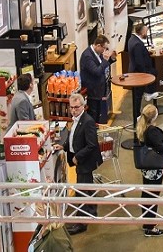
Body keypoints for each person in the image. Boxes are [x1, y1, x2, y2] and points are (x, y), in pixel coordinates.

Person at [54, 94, 102, 235]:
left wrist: (77, 157)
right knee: (88, 188)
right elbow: (73, 138)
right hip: (81, 160)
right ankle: (91, 212)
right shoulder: (76, 120)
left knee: (81, 191)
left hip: (85, 162)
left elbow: (92, 145)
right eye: (71, 107)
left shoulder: (87, 121)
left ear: (83, 106)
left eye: (76, 107)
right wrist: (64, 146)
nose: (73, 110)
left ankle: (81, 222)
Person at [136, 104, 163, 237]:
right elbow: (161, 147)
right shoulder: (152, 131)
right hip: (154, 169)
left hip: (147, 168)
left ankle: (147, 221)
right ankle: (150, 227)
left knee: (147, 194)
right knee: (153, 196)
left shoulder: (142, 128)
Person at [127, 23, 160, 128]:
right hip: (138, 75)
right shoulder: (137, 44)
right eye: (146, 31)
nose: (147, 33)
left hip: (136, 72)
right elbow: (140, 62)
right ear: (141, 32)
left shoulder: (132, 39)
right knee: (137, 97)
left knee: (137, 96)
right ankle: (137, 117)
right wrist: (147, 76)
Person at [80, 35, 116, 124]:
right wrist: (105, 60)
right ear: (98, 46)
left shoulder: (97, 53)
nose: (105, 50)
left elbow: (102, 66)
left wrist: (111, 59)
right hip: (92, 92)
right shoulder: (87, 56)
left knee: (98, 114)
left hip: (99, 91)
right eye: (104, 48)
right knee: (93, 114)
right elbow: (97, 71)